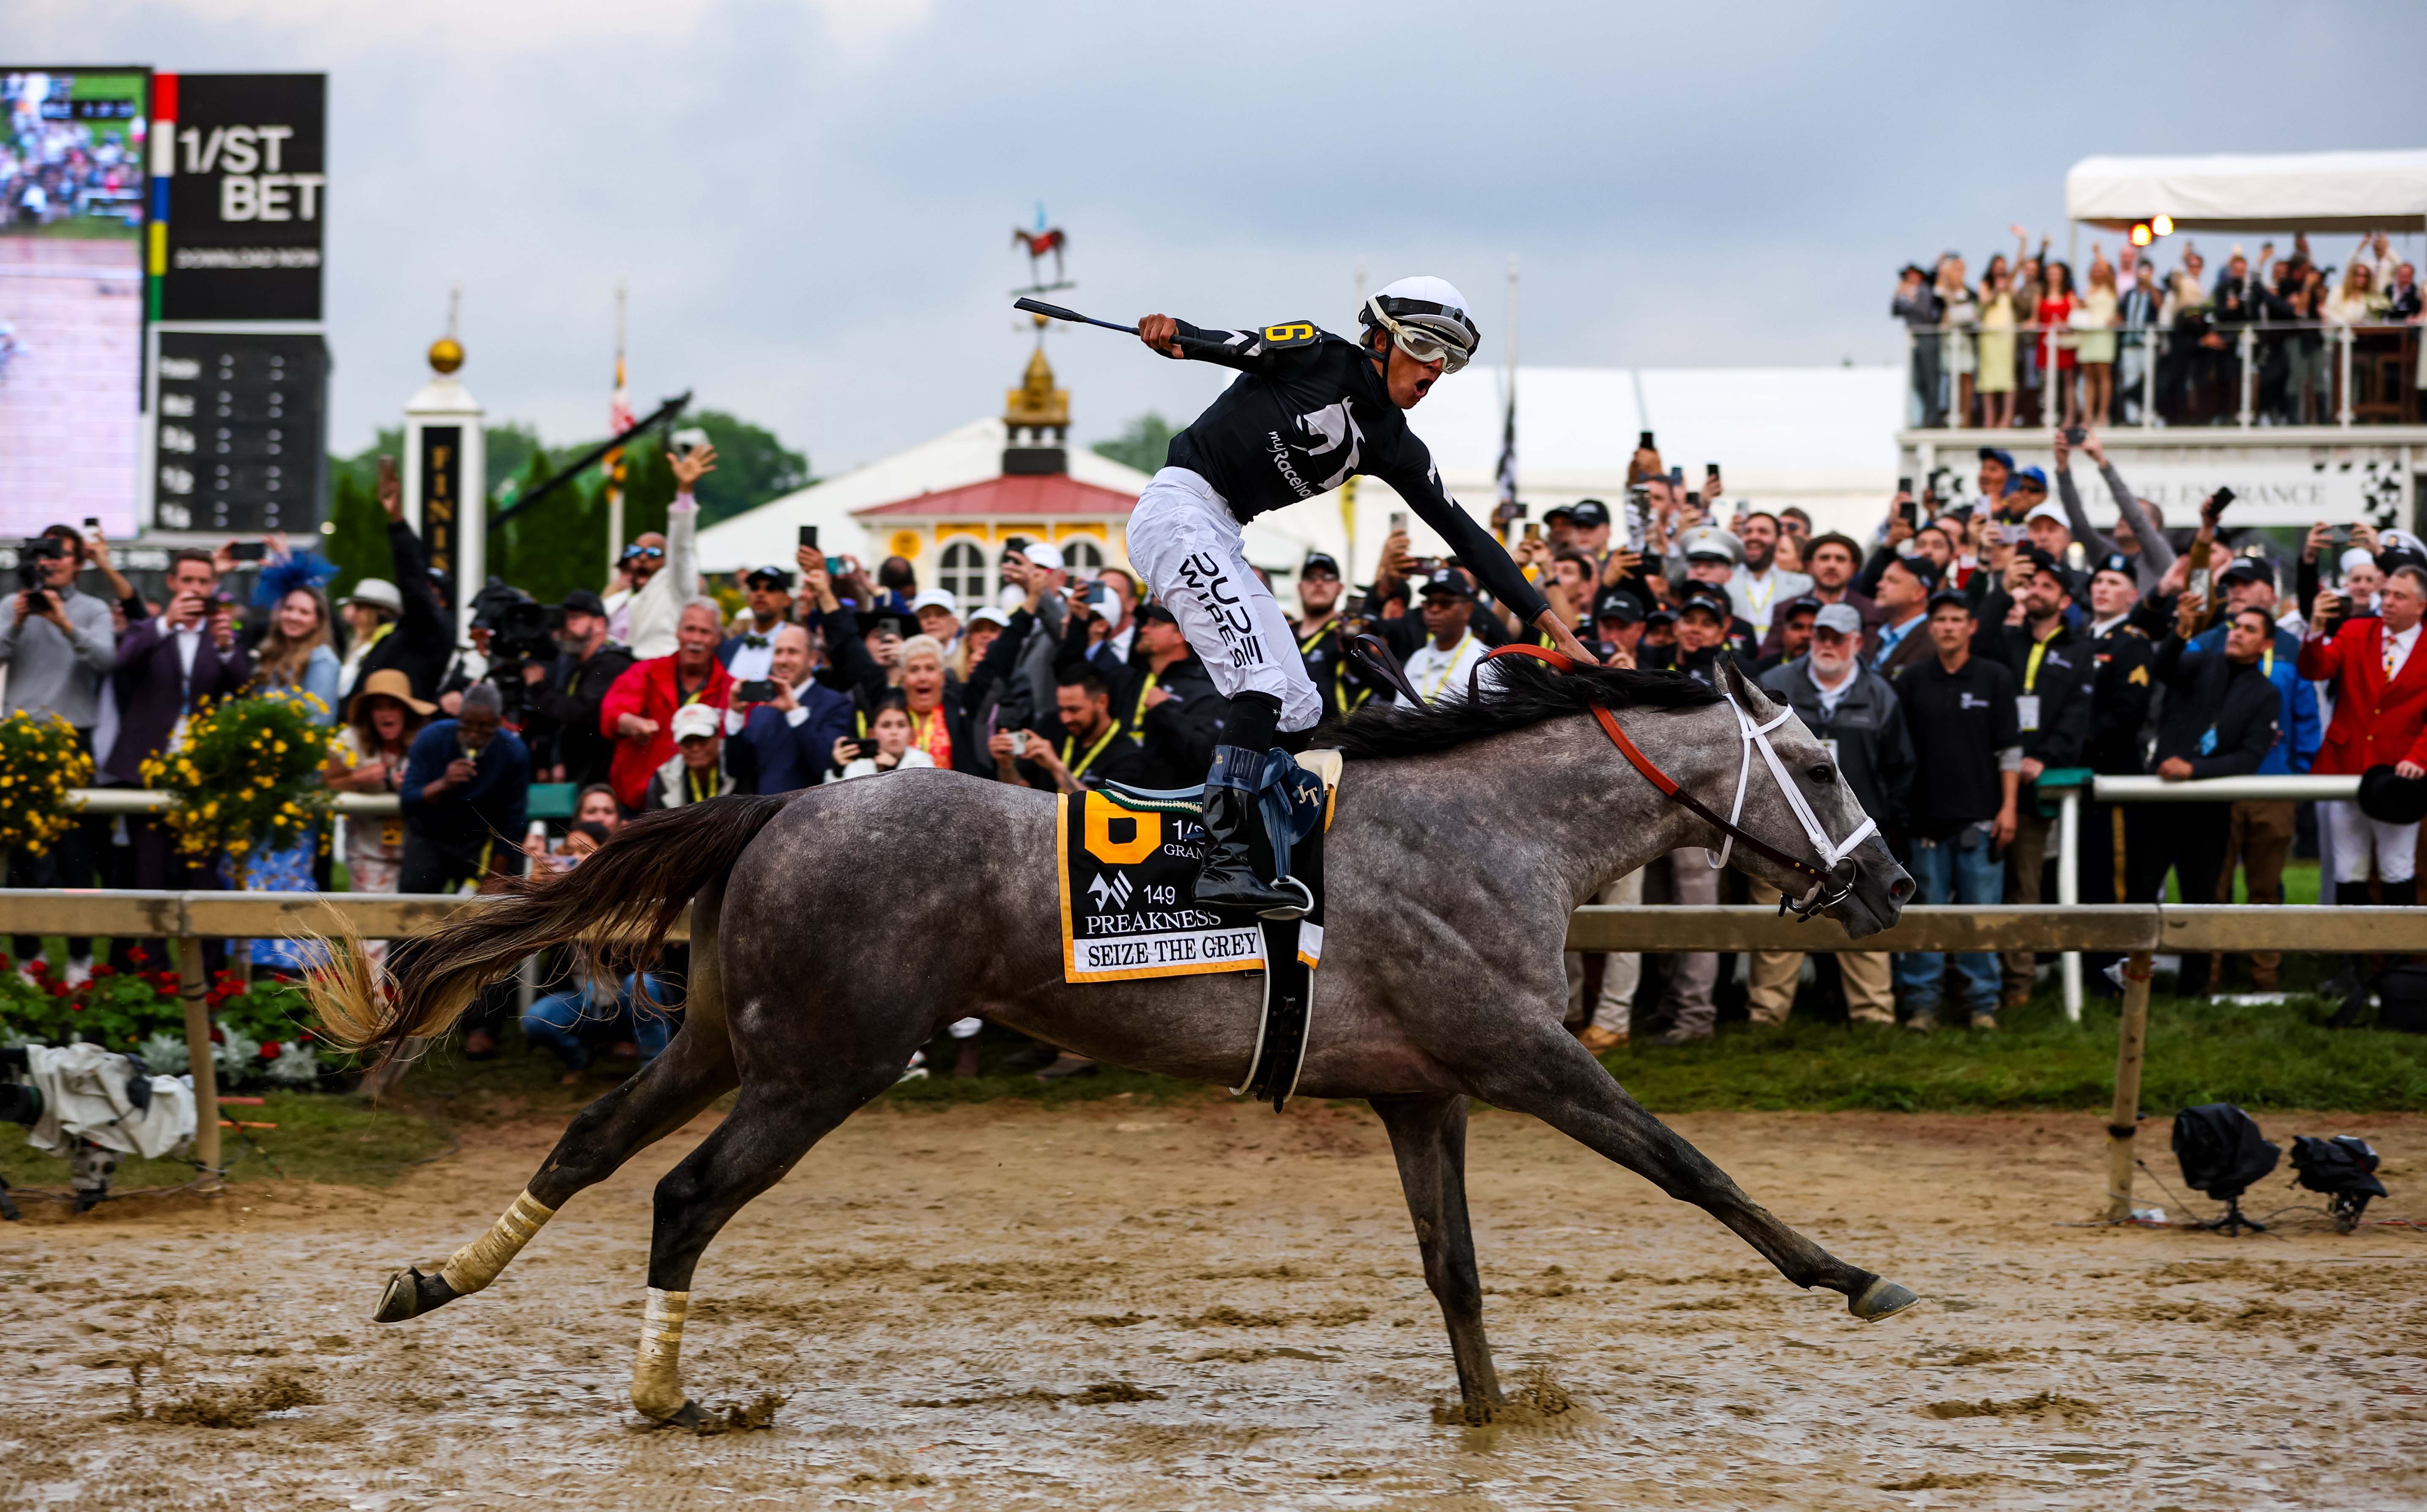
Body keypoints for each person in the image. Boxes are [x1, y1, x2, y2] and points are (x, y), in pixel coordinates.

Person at [1125, 277, 1578, 915]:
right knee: (1260, 681)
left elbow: (1469, 538)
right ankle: (1222, 859)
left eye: (1447, 360)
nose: (1434, 371)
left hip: (1223, 534)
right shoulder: (1319, 352)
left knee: (1301, 707)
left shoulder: (1395, 445)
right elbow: (1238, 345)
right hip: (1178, 510)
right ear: (1380, 337)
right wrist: (1178, 335)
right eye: (1424, 348)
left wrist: (1558, 631)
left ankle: (1261, 852)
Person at [1750, 604, 1914, 1026]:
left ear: (1857, 642)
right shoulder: (1777, 686)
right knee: (1777, 925)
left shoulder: (1880, 694)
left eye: (1837, 637)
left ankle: (1874, 1017)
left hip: (1854, 840)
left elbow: (1899, 767)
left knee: (1868, 918)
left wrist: (1880, 824)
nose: (1827, 644)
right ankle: (1766, 1018)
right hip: (1784, 838)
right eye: (1821, 635)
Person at [1890, 591, 2019, 1032]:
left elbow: (2010, 751)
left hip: (1982, 821)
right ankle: (1923, 1005)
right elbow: (1899, 753)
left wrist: (2009, 809)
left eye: (1956, 619)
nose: (1948, 626)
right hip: (1925, 823)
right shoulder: (1909, 680)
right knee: (1925, 916)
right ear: (1930, 626)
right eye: (1940, 619)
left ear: (1972, 626)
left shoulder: (1995, 678)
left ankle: (1983, 1005)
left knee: (1980, 917)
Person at [2189, 560, 2320, 990]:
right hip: (2219, 785)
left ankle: (2264, 979)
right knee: (2215, 887)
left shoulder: (2291, 647)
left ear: (2270, 591)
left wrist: (2294, 778)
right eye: (2231, 585)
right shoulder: (2211, 642)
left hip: (2272, 785)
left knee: (2265, 889)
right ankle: (2209, 978)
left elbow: (2306, 717)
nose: (2238, 591)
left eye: (2247, 584)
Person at [2140, 604, 2282, 998]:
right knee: (2141, 889)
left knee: (2201, 896)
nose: (2238, 633)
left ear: (2266, 644)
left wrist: (2195, 769)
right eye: (2236, 627)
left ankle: (2194, 989)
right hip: (2160, 800)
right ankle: (2129, 979)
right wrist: (2179, 633)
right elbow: (2163, 669)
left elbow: (2250, 757)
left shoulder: (2266, 694)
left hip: (2209, 809)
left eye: (2250, 630)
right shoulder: (2200, 663)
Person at [0, 522, 116, 981]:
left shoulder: (92, 609)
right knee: (24, 852)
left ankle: (80, 959)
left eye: (59, 555)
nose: (49, 562)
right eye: (42, 555)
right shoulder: (13, 605)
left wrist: (65, 625)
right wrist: (20, 622)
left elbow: (108, 660)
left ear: (79, 563)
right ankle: (28, 958)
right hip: (22, 741)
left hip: (73, 739)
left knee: (77, 854)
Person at [1982, 549, 2091, 1009]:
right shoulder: (2006, 639)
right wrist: (2003, 588)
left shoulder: (2079, 650)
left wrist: (2045, 757)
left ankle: (2018, 987)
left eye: (2047, 586)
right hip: (1987, 781)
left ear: (2065, 600)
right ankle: (1973, 981)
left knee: (2023, 886)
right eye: (2033, 584)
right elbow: (1978, 636)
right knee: (1974, 886)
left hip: (2032, 786)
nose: (2036, 591)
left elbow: (2077, 715)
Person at [2298, 563, 2427, 919]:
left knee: (2397, 868)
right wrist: (2316, 630)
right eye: (2386, 593)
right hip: (2347, 767)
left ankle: (2396, 964)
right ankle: (2349, 967)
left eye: (2399, 596)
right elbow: (2316, 670)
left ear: (2421, 605)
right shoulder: (2356, 631)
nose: (2387, 602)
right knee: (2348, 869)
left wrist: (2419, 757)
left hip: (2399, 777)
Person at [602, 598, 734, 812]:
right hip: (639, 801)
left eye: (705, 632)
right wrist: (633, 724)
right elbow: (611, 713)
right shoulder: (645, 673)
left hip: (702, 806)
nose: (696, 639)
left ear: (717, 639)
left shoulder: (730, 689)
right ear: (677, 632)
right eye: (690, 629)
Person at [344, 459, 458, 705]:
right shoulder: (398, 634)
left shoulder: (435, 634)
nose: (427, 595)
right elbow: (417, 572)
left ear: (444, 602)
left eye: (434, 592)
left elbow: (413, 584)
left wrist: (397, 522)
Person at [1101, 602, 1224, 789]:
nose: (1144, 630)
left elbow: (1208, 755)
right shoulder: (1131, 680)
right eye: (1145, 624)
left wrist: (1164, 711)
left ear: (1180, 635)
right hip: (1121, 795)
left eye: (1155, 625)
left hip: (1168, 806)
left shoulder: (1204, 690)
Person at [610, 444, 715, 659]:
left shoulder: (675, 585)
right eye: (636, 550)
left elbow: (681, 550)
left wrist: (684, 493)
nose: (642, 557)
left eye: (654, 553)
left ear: (666, 561)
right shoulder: (619, 601)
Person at [524, 589, 633, 791]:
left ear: (600, 624)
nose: (567, 626)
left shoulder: (612, 663)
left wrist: (537, 687)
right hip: (581, 774)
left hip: (601, 779)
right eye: (565, 619)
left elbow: (580, 711)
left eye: (575, 618)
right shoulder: (577, 665)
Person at [728, 623, 853, 795]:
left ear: (812, 659)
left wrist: (795, 712)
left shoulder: (836, 704)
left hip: (814, 815)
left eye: (792, 652)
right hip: (764, 817)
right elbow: (737, 771)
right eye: (778, 652)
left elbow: (825, 765)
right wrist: (735, 715)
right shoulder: (760, 710)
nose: (783, 660)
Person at [2052, 429, 2175, 595]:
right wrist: (2063, 468)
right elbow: (2079, 524)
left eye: (2128, 517)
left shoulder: (2160, 559)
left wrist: (2103, 463)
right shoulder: (2107, 555)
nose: (2123, 519)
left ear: (2152, 527)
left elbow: (2136, 519)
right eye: (2121, 516)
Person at [991, 664, 1145, 794]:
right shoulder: (1050, 725)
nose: (1065, 719)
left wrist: (1057, 769)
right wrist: (1006, 766)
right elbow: (1021, 794)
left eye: (1074, 710)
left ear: (1102, 702)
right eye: (1061, 709)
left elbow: (1102, 815)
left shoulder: (1128, 754)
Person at [1289, 552, 1377, 721]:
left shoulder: (1348, 636)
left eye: (1328, 577)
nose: (1319, 582)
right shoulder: (1284, 634)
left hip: (1327, 742)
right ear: (1300, 587)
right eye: (1311, 577)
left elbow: (1375, 680)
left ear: (1340, 588)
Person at [1397, 569, 1494, 705]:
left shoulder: (1484, 663)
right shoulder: (1417, 659)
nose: (1435, 610)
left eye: (1445, 603)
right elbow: (1398, 715)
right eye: (1429, 603)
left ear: (1468, 610)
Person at [1726, 512, 1813, 641]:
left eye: (1763, 532)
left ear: (1778, 540)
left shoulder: (1802, 585)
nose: (1754, 537)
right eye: (1748, 532)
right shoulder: (1726, 580)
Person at [644, 702, 736, 809]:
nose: (696, 748)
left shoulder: (740, 766)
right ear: (678, 745)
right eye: (687, 742)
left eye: (702, 740)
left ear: (717, 737)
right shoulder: (663, 779)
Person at [717, 566, 795, 684]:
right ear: (748, 597)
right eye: (755, 588)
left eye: (771, 588)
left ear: (787, 600)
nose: (760, 593)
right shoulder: (728, 647)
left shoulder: (797, 647)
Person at [1865, 555, 1939, 677]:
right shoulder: (1882, 636)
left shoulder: (1933, 640)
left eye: (1892, 580)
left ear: (1918, 593)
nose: (1880, 585)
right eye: (1882, 579)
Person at [828, 700, 934, 779]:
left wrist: (893, 770)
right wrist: (838, 771)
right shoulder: (859, 765)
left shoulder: (923, 763)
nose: (894, 732)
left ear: (912, 734)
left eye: (901, 725)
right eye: (886, 726)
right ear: (872, 733)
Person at [1893, 263, 1944, 427]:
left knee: (1931, 379)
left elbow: (1925, 314)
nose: (1910, 278)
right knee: (1917, 381)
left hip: (1928, 338)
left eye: (1913, 275)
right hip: (1914, 341)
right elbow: (1894, 311)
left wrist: (1912, 299)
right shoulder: (1905, 295)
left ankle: (1933, 417)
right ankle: (1927, 414)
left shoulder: (1925, 291)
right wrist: (1898, 293)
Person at [2075, 258, 2120, 426]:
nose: (2097, 272)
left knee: (2103, 376)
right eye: (2094, 269)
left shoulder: (2110, 288)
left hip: (2103, 335)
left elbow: (2107, 270)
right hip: (2088, 335)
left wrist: (2097, 253)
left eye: (2099, 269)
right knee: (2088, 377)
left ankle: (2103, 414)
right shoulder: (2087, 290)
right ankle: (2087, 416)